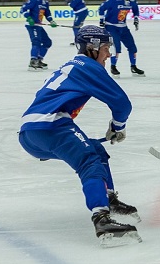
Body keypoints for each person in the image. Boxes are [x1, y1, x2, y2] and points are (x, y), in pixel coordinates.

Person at [18, 25, 142, 248]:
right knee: (89, 161)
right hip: (51, 126)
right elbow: (121, 103)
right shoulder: (88, 66)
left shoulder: (71, 65)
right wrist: (117, 126)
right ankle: (102, 219)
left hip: (30, 133)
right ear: (92, 47)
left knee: (95, 149)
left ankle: (109, 198)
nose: (109, 54)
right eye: (106, 48)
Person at [98, 0, 144, 77]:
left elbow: (136, 10)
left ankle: (133, 66)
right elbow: (102, 7)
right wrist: (102, 19)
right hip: (111, 27)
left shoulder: (132, 0)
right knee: (116, 48)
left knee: (132, 47)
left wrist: (136, 18)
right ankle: (113, 66)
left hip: (123, 27)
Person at [20, 0, 57, 71]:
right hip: (32, 25)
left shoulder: (45, 1)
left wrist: (51, 21)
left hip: (39, 25)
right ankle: (33, 61)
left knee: (47, 42)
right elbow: (23, 9)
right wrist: (29, 18)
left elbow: (47, 13)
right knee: (36, 42)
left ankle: (39, 59)